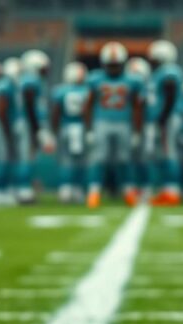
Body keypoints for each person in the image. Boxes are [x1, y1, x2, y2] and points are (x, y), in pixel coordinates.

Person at [83, 41, 143, 209]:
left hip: (124, 123)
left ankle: (129, 191)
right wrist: (89, 129)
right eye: (111, 65)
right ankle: (94, 192)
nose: (113, 68)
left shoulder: (133, 80)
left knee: (124, 159)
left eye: (116, 65)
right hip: (101, 122)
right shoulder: (95, 79)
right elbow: (88, 105)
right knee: (99, 159)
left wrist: (137, 131)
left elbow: (138, 107)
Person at [145, 40, 183, 207]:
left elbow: (170, 93)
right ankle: (167, 190)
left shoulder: (169, 72)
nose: (151, 61)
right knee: (164, 154)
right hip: (164, 118)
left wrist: (162, 117)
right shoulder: (162, 72)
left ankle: (172, 191)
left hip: (168, 118)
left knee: (169, 153)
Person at [51, 62, 90, 203]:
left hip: (65, 127)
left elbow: (55, 113)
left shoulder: (60, 91)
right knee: (80, 161)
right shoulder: (86, 91)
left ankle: (65, 189)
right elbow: (87, 112)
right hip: (81, 128)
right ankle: (77, 188)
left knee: (65, 160)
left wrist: (54, 131)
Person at [18, 49, 54, 203]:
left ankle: (26, 188)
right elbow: (30, 105)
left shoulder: (33, 80)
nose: (46, 71)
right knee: (27, 157)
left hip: (31, 123)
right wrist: (37, 128)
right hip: (28, 124)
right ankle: (23, 190)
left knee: (30, 158)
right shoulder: (30, 81)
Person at [0, 58, 22, 204]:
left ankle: (6, 188)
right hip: (2, 126)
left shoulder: (8, 84)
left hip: (4, 125)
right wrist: (7, 130)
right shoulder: (5, 85)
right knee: (2, 159)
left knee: (8, 159)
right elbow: (1, 110)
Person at [125, 57, 151, 203]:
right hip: (129, 126)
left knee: (143, 159)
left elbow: (142, 109)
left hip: (146, 126)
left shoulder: (147, 88)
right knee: (129, 159)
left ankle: (145, 188)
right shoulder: (127, 86)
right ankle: (131, 188)